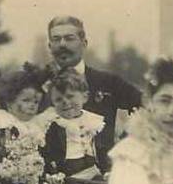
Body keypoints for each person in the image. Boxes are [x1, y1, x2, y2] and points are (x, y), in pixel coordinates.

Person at [46, 16, 142, 155]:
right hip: (49, 173)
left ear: (84, 43)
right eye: (56, 39)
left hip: (101, 173)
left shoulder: (108, 82)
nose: (62, 44)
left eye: (69, 38)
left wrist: (127, 144)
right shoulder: (36, 84)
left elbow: (147, 106)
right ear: (49, 46)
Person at [0, 63, 54, 144]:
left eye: (36, 102)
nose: (32, 105)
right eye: (26, 100)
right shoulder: (4, 120)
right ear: (9, 103)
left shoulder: (34, 126)